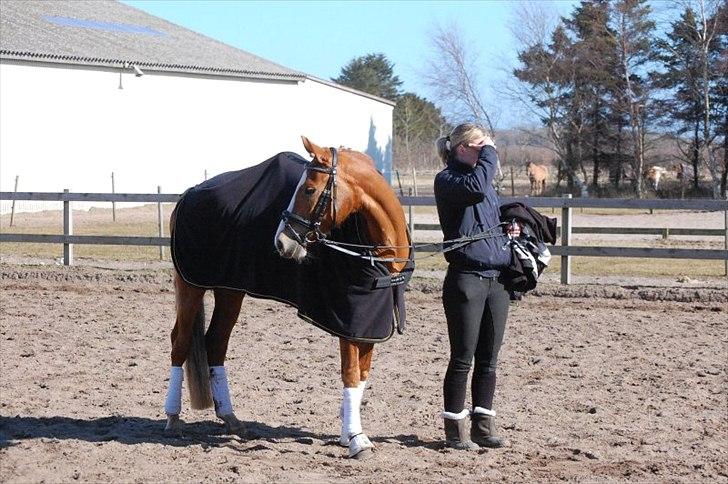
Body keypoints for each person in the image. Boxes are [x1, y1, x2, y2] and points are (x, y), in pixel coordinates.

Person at [434, 123, 519, 451]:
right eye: (481, 147)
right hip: (465, 281)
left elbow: (485, 205)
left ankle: (483, 425)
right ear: (462, 149)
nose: (488, 154)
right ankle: (455, 431)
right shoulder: (450, 180)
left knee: (489, 358)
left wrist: (505, 231)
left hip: (495, 281)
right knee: (462, 358)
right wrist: (491, 153)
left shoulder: (481, 182)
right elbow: (478, 187)